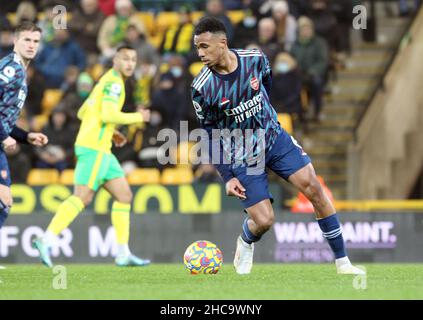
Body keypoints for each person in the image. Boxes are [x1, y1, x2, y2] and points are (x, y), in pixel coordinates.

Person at [191, 17, 364, 275]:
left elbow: (266, 87)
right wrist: (227, 176)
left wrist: (266, 119)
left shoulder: (255, 59)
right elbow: (210, 134)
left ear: (222, 43)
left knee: (314, 188)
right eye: (198, 48)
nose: (200, 53)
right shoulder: (202, 88)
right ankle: (246, 240)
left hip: (274, 140)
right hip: (243, 155)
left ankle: (343, 263)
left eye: (204, 46)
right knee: (264, 220)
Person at [32, 45, 152, 268]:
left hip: (102, 149)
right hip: (93, 148)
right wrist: (138, 116)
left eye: (133, 60)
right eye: (125, 59)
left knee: (124, 195)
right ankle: (46, 240)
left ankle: (123, 253)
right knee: (82, 197)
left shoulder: (104, 81)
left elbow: (83, 112)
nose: (130, 64)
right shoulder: (114, 83)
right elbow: (107, 113)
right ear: (115, 60)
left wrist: (111, 131)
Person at [0, 22, 49, 234]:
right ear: (15, 41)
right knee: (3, 200)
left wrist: (25, 136)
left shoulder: (20, 70)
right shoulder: (12, 69)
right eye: (26, 40)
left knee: (4, 201)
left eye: (35, 41)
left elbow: (5, 118)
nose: (31, 45)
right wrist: (3, 135)